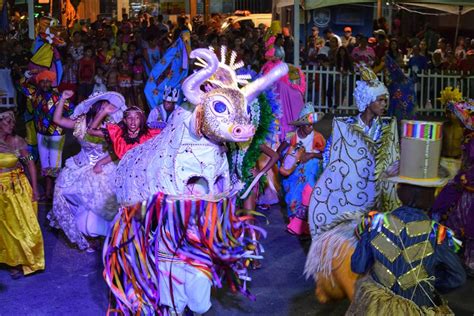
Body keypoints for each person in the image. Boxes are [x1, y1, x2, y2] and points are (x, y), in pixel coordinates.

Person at [347, 120, 466, 314]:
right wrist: (429, 285)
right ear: (432, 195)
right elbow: (457, 277)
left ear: (399, 190)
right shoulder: (438, 235)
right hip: (418, 305)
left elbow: (358, 265)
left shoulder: (374, 222)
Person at [307, 64, 400, 235]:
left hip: (377, 195)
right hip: (350, 193)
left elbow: (393, 158)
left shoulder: (387, 128)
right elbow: (331, 158)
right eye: (380, 100)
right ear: (367, 100)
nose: (384, 104)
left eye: (385, 100)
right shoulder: (345, 127)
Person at [47, 91, 126, 252]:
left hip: (103, 166)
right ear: (95, 107)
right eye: (104, 106)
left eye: (109, 107)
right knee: (63, 192)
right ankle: (86, 236)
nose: (109, 109)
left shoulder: (111, 125)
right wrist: (62, 99)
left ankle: (106, 235)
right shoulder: (80, 123)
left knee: (101, 199)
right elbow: (57, 120)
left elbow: (118, 150)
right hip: (79, 165)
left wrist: (101, 164)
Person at [432, 99, 474, 276]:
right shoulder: (467, 135)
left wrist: (468, 178)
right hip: (461, 180)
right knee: (443, 206)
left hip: (469, 186)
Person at [0, 110, 44, 278]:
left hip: (16, 188)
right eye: (7, 122)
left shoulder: (18, 142)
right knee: (3, 226)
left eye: (12, 122)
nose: (11, 125)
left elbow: (30, 164)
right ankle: (8, 258)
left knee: (17, 226)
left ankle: (18, 260)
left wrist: (35, 188)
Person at [20, 69, 74, 200]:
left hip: (56, 134)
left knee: (54, 165)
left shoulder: (58, 97)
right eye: (42, 81)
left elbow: (72, 109)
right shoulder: (34, 95)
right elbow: (22, 85)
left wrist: (69, 122)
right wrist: (28, 74)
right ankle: (48, 190)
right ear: (38, 82)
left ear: (51, 83)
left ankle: (55, 192)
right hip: (41, 134)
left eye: (47, 81)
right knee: (45, 164)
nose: (44, 84)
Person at [279, 103, 326, 235]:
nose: (310, 128)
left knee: (307, 194)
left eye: (312, 125)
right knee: (293, 196)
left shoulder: (318, 137)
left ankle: (304, 227)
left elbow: (325, 154)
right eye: (307, 125)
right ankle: (295, 223)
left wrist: (311, 155)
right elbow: (279, 152)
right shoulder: (291, 137)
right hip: (293, 174)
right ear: (301, 124)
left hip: (309, 174)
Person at [87, 104, 161, 159]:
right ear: (124, 121)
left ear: (141, 120)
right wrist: (104, 112)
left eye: (137, 118)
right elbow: (90, 131)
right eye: (129, 118)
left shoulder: (150, 134)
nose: (133, 121)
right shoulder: (118, 135)